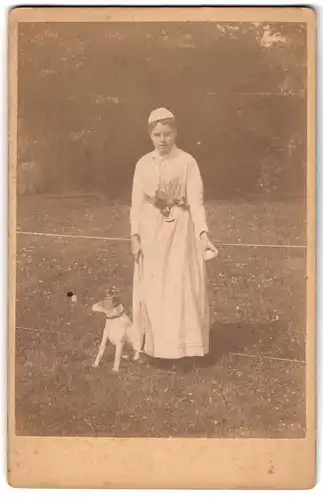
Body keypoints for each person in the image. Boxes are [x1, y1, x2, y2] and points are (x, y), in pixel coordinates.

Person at [130, 108, 216, 366]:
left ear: (175, 133)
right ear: (150, 135)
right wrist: (134, 236)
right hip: (151, 229)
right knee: (154, 287)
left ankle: (183, 349)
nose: (162, 139)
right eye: (157, 134)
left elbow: (196, 201)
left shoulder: (187, 162)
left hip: (180, 229)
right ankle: (153, 346)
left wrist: (202, 234)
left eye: (167, 134)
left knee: (179, 286)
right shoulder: (143, 163)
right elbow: (136, 204)